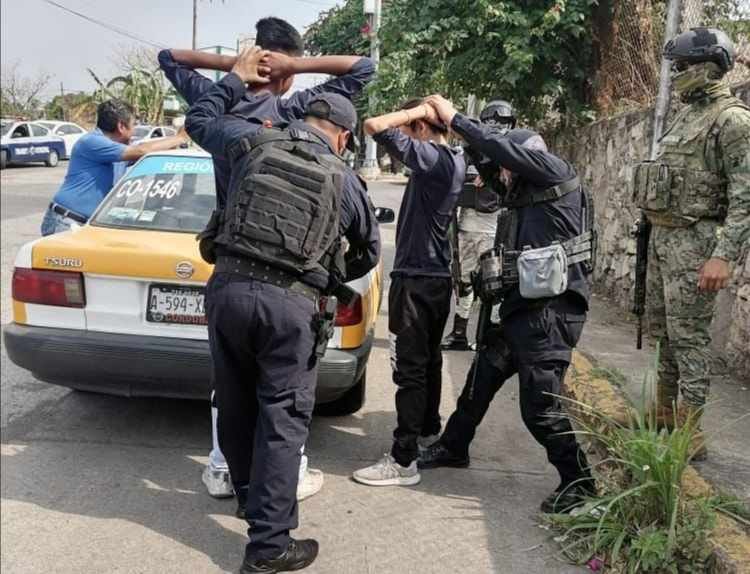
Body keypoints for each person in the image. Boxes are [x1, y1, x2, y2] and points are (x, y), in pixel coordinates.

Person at [159, 16, 375, 499]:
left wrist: (238, 69)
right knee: (285, 386)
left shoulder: (216, 104)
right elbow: (364, 67)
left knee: (233, 377)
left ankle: (224, 468)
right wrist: (281, 66)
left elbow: (169, 58)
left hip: (233, 255)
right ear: (288, 73)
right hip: (293, 263)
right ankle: (283, 478)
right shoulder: (295, 108)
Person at [419, 94, 597, 514]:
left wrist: (457, 119)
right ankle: (453, 446)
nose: (500, 175)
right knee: (479, 383)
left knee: (540, 407)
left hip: (551, 314)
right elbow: (490, 167)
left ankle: (580, 481)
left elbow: (502, 153)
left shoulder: (554, 170)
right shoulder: (522, 192)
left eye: (506, 166)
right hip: (519, 309)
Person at [634, 27, 749, 458]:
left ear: (706, 67)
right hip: (664, 238)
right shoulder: (687, 114)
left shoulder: (732, 120)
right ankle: (663, 412)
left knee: (691, 338)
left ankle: (691, 431)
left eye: (682, 67)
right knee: (664, 331)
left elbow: (746, 197)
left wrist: (723, 255)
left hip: (698, 241)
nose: (676, 74)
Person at [352, 98, 465, 487]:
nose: (399, 138)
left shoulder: (432, 159)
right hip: (434, 278)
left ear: (419, 127)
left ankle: (403, 460)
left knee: (409, 369)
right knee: (429, 362)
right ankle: (426, 428)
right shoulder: (452, 160)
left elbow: (373, 125)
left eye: (407, 129)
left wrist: (414, 112)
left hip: (416, 280)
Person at [41, 99, 187, 235]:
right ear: (121, 126)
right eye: (133, 124)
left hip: (86, 225)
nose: (135, 130)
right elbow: (141, 150)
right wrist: (180, 137)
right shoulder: (92, 142)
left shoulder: (117, 149)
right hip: (66, 223)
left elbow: (147, 152)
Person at [442, 99, 516, 350]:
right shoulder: (468, 152)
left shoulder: (511, 153)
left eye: (500, 123)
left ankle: (490, 338)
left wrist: (492, 175)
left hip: (494, 231)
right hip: (465, 227)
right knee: (463, 282)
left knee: (492, 285)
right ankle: (460, 334)